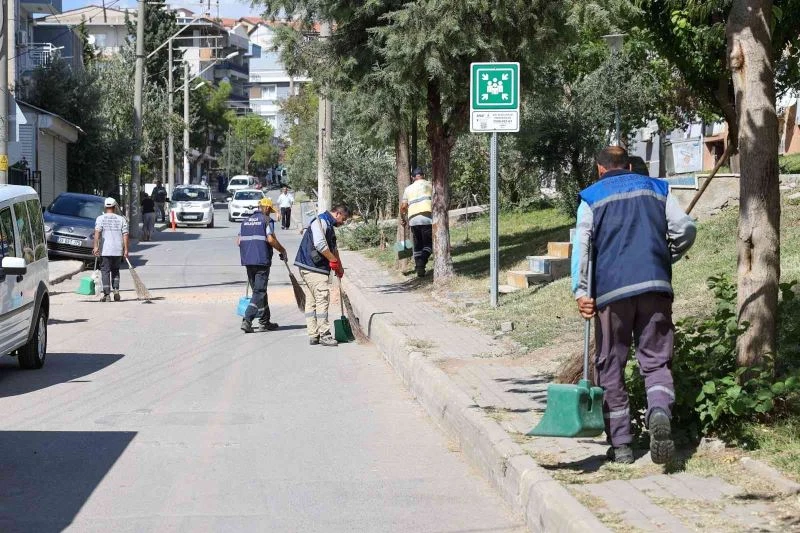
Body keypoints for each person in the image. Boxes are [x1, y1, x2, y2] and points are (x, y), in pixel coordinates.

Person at [571, 146, 697, 465]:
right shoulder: (658, 189)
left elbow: (582, 246)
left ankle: (622, 446)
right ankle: (659, 411)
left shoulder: (591, 197)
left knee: (610, 363)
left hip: (611, 292)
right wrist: (666, 257)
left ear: (599, 169)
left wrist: (581, 291)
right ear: (628, 166)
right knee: (656, 360)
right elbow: (685, 229)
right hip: (655, 285)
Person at [294, 205, 351, 346]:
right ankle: (325, 334)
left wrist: (339, 267)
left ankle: (313, 334)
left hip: (310, 267)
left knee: (312, 301)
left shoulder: (329, 225)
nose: (343, 222)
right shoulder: (321, 222)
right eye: (343, 219)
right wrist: (332, 260)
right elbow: (320, 244)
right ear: (337, 214)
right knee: (322, 299)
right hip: (314, 267)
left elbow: (334, 249)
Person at [237, 197, 288, 333]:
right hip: (261, 261)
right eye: (269, 210)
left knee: (259, 291)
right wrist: (282, 250)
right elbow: (270, 239)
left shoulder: (245, 221)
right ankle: (247, 320)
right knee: (259, 292)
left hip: (248, 261)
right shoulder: (266, 220)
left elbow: (239, 241)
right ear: (266, 208)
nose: (269, 213)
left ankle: (265, 322)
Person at [93, 198, 130, 302]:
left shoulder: (100, 218)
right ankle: (116, 290)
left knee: (105, 271)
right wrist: (126, 249)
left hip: (105, 250)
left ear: (105, 207)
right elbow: (125, 235)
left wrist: (95, 247)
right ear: (115, 207)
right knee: (115, 270)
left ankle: (106, 295)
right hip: (118, 250)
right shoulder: (121, 219)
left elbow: (97, 233)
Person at [400, 167, 433, 277]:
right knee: (429, 243)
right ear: (424, 175)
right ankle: (421, 262)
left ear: (412, 177)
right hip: (427, 218)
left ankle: (419, 268)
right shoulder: (430, 185)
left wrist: (403, 218)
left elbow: (403, 207)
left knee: (418, 244)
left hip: (413, 220)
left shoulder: (408, 189)